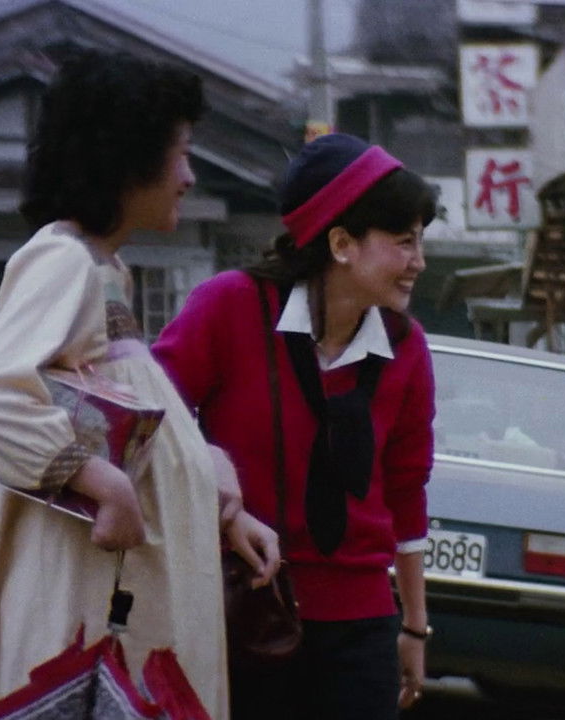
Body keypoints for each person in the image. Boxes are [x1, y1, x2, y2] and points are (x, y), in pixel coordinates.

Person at [0, 50, 278, 718]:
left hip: (120, 616)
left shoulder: (104, 273)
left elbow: (114, 423)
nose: (189, 176)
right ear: (128, 158)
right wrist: (103, 483)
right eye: (181, 153)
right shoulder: (63, 261)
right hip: (89, 623)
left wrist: (211, 489)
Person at [152, 132, 436, 720]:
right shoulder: (230, 307)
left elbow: (406, 491)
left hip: (362, 628)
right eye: (404, 242)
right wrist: (220, 497)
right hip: (245, 609)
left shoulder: (407, 349)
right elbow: (150, 418)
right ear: (342, 243)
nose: (419, 262)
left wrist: (414, 626)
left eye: (420, 242)